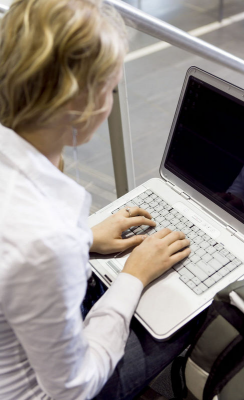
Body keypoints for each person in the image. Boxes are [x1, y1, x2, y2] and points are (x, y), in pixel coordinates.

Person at [0, 1, 198, 399]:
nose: (111, 103)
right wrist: (134, 276)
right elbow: (73, 387)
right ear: (78, 106)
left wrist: (84, 238)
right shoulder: (44, 239)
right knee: (197, 309)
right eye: (109, 89)